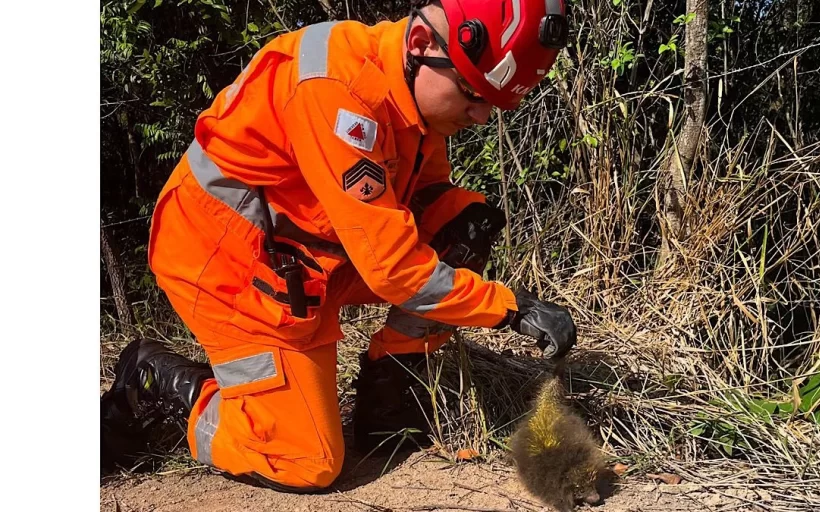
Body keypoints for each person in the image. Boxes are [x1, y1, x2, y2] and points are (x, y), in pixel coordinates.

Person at [101, 0, 576, 493]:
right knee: (308, 461)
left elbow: (421, 206)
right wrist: (510, 308)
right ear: (420, 45)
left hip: (309, 253)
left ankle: (390, 394)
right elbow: (394, 271)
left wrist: (469, 266)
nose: (479, 116)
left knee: (463, 223)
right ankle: (161, 385)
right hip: (223, 258)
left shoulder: (414, 96)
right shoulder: (339, 94)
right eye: (473, 95)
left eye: (494, 105)